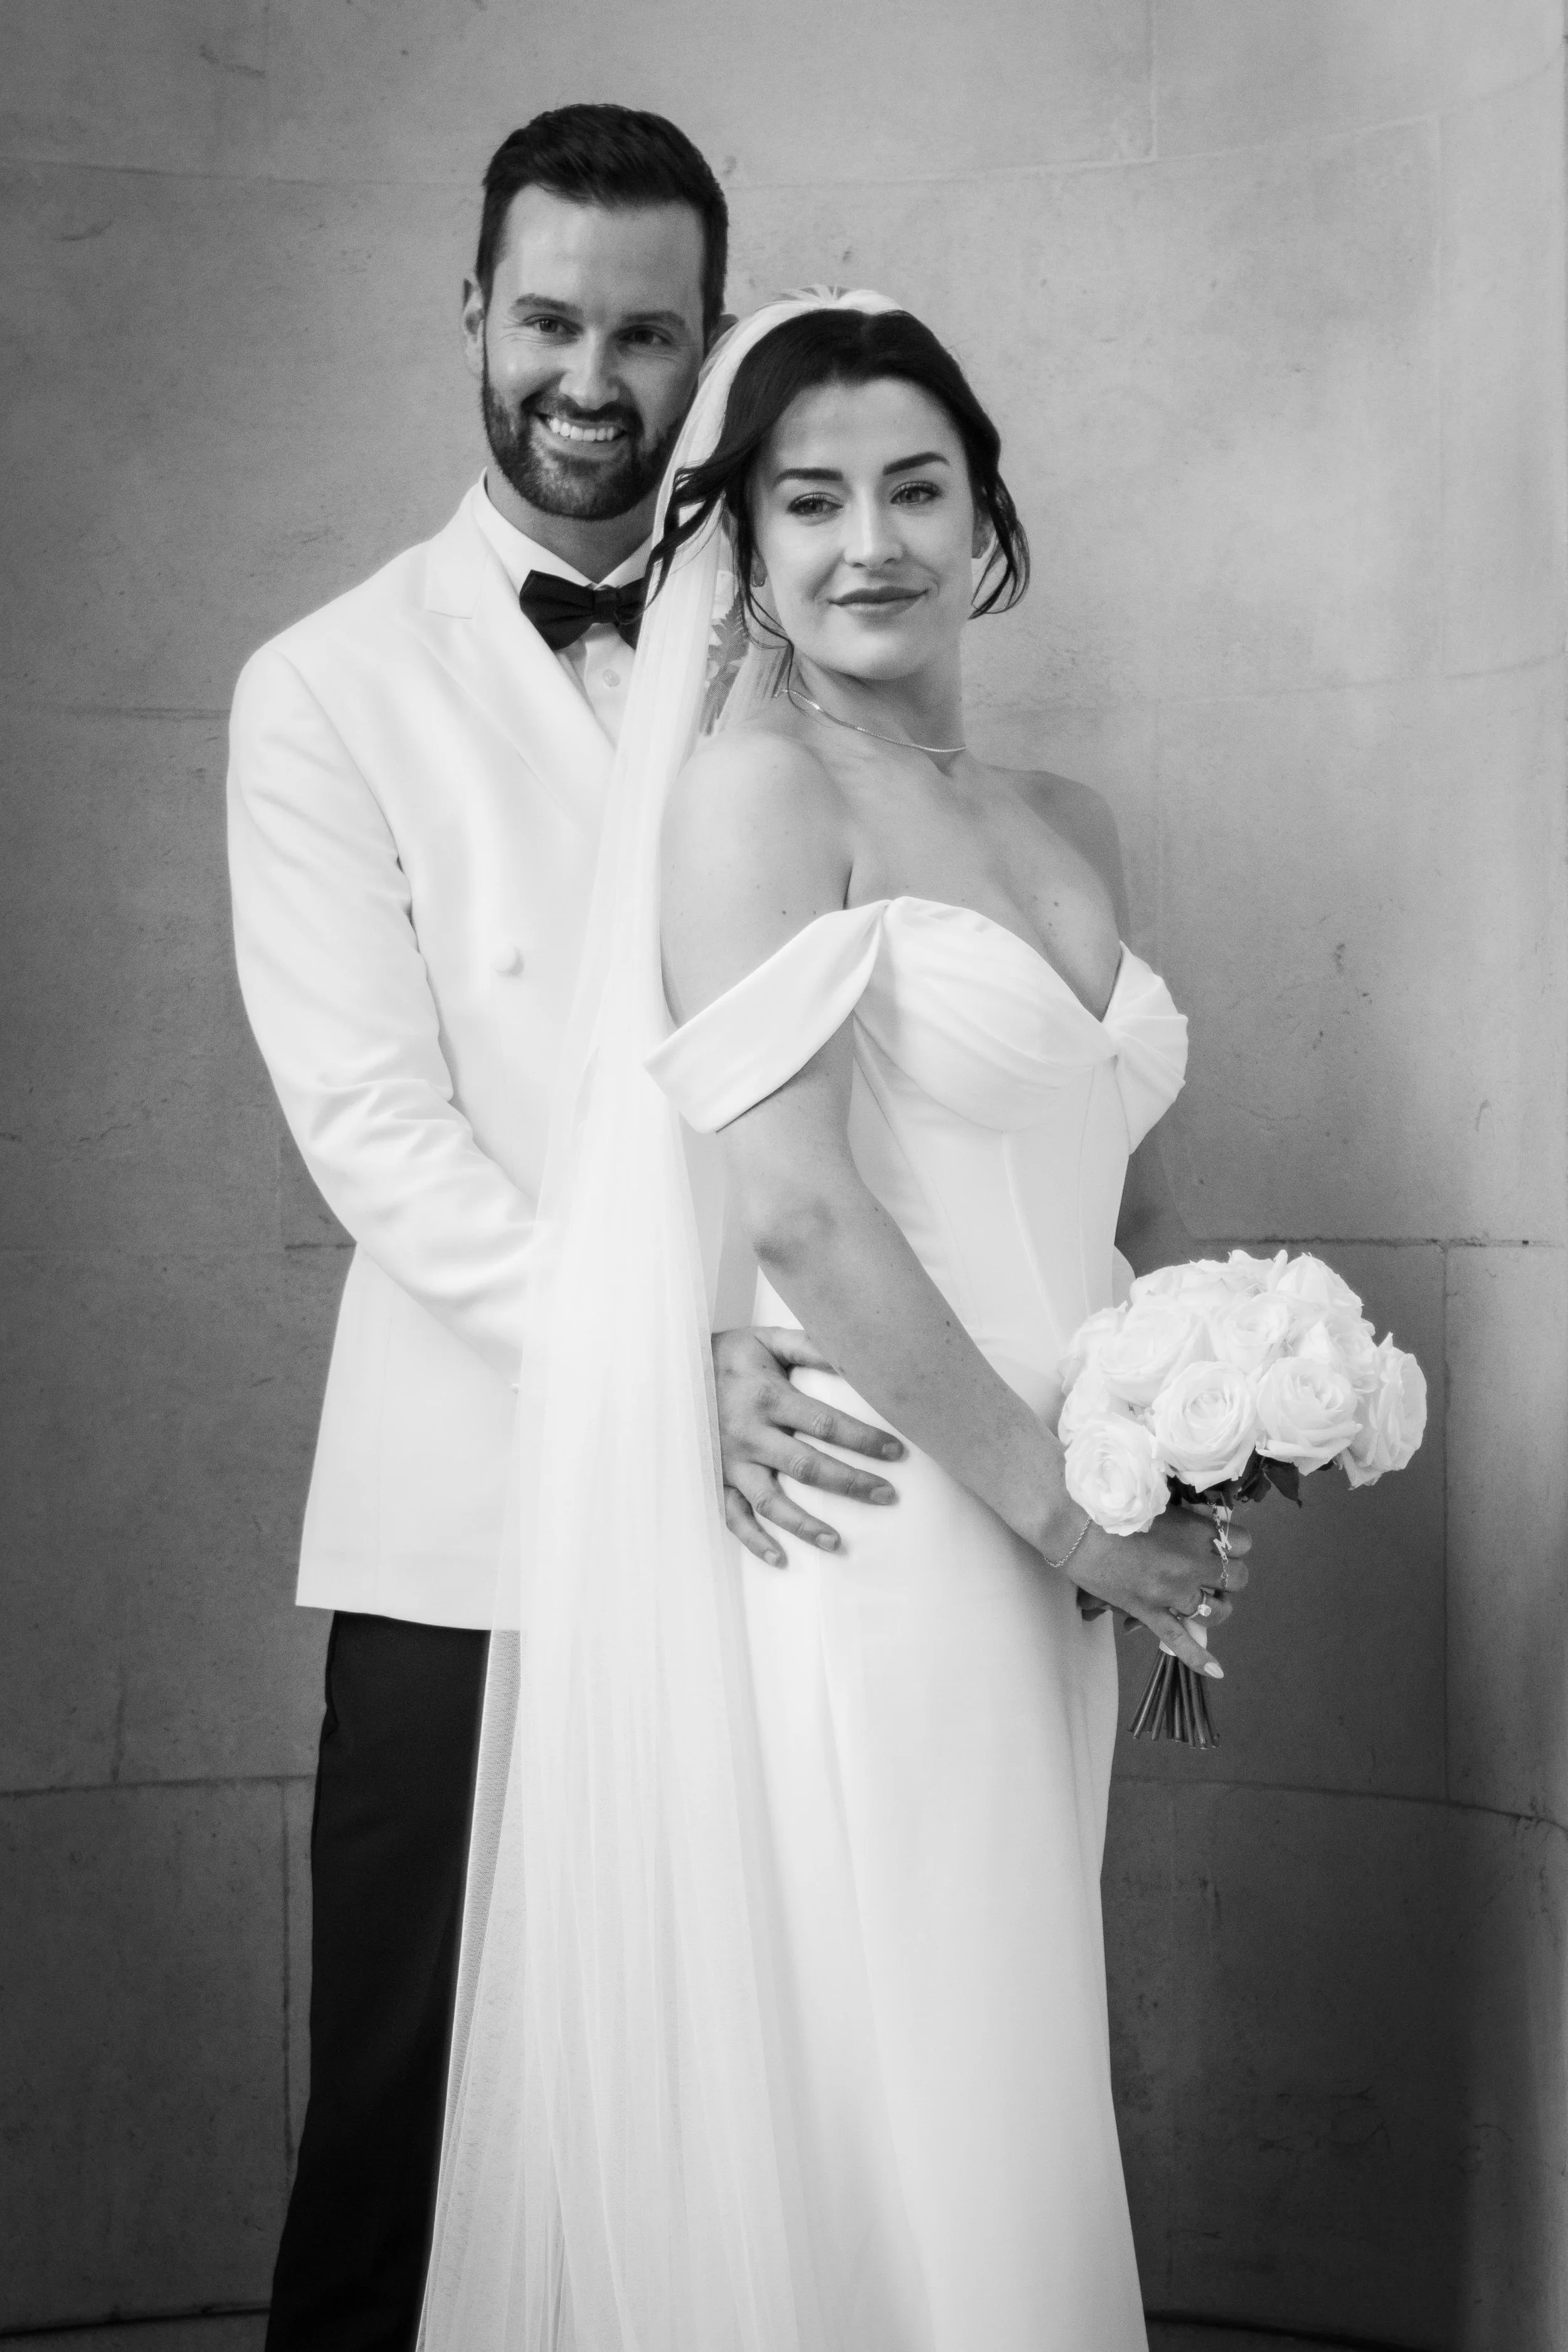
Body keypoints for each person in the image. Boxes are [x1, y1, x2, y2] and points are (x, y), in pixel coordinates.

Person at [419, 296, 1251, 2351]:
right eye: (810, 500)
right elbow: (795, 1201)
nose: (866, 540)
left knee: (989, 2034)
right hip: (899, 1506)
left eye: (912, 488)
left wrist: (1186, 1409)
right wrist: (1067, 1518)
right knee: (923, 2052)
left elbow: (1091, 1188)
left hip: (1065, 1516)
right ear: (748, 539)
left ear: (984, 519)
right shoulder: (755, 799)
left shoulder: (1076, 823)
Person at [226, 112, 904, 2352]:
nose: (588, 376)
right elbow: (374, 1132)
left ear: (709, 347)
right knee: (410, 2106)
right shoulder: (323, 683)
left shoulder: (791, 637)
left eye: (642, 330)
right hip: (475, 1514)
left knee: (745, 2095)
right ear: (473, 316)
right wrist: (653, 1350)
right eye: (546, 321)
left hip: (774, 1485)